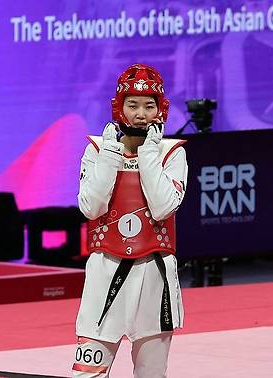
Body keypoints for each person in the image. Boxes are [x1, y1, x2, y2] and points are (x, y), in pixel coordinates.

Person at [73, 64, 187, 377]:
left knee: (152, 374)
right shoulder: (97, 149)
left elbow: (164, 206)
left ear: (160, 109)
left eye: (149, 106)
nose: (140, 114)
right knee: (87, 374)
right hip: (104, 275)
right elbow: (91, 207)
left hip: (154, 275)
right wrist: (112, 153)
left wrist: (149, 152)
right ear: (119, 107)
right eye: (132, 105)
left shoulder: (171, 153)